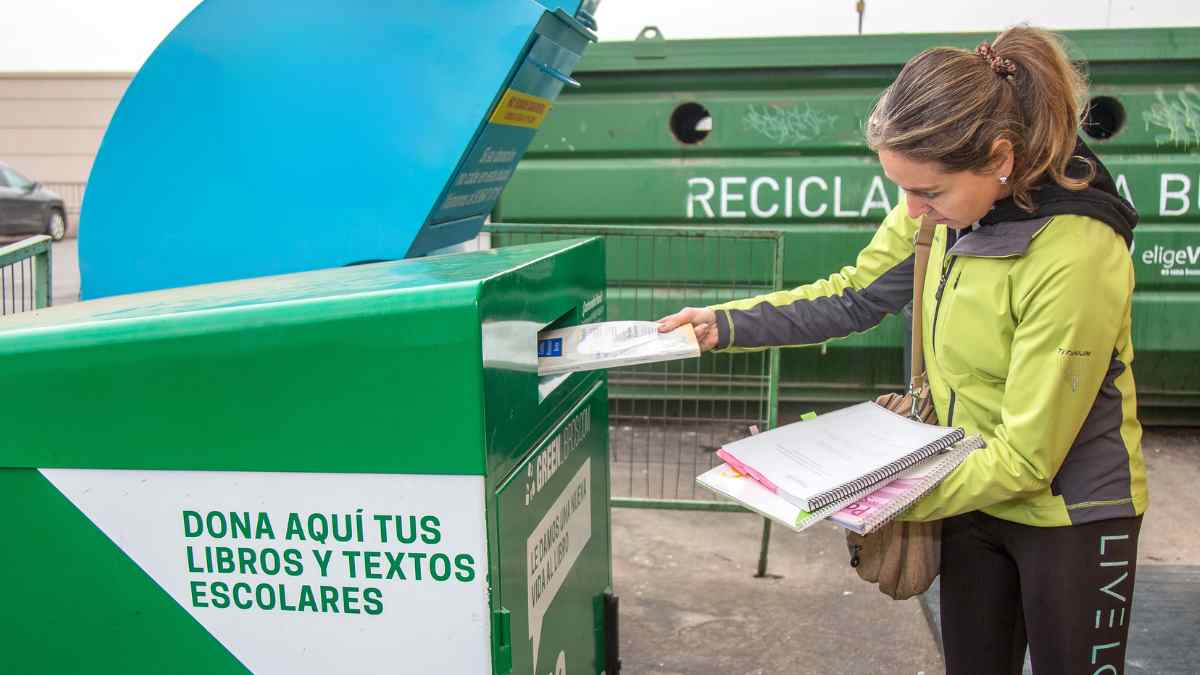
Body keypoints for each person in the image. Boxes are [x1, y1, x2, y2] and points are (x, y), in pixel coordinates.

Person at [658, 26, 1145, 675]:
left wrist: (860, 491)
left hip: (1071, 513)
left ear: (1000, 157)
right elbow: (856, 293)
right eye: (902, 189)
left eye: (929, 192)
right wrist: (727, 323)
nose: (913, 210)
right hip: (965, 491)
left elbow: (1028, 460)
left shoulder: (1076, 250)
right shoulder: (938, 207)